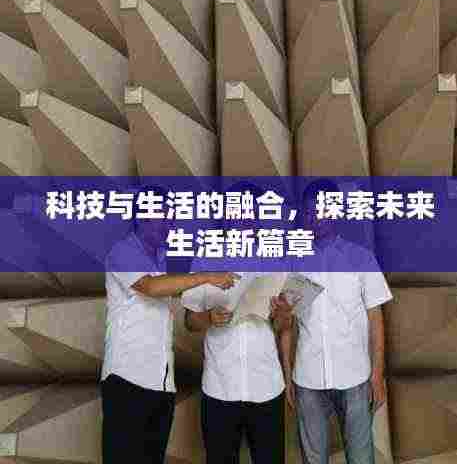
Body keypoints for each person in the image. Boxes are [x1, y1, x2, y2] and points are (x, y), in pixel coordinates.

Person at [101, 186, 238, 464]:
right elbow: (150, 287)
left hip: (161, 384)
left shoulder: (161, 258)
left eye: (170, 216)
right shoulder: (122, 251)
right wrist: (206, 277)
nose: (168, 222)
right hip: (127, 380)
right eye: (162, 215)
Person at [279, 179, 392, 464]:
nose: (314, 218)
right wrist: (287, 375)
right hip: (307, 378)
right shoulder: (295, 261)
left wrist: (377, 374)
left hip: (355, 377)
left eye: (321, 210)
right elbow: (286, 324)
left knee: (361, 457)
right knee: (313, 459)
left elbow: (376, 320)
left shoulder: (361, 258)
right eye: (309, 212)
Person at [182, 272, 293, 464]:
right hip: (219, 388)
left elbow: (281, 326)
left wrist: (283, 315)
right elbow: (189, 321)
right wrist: (209, 317)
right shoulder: (204, 262)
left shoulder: (275, 265)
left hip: (267, 387)